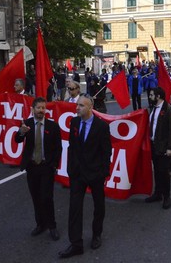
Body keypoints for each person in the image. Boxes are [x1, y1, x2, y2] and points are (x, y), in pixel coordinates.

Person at [58, 94, 112, 258]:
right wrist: (70, 169)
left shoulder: (101, 126)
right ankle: (76, 244)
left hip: (95, 174)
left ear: (90, 107)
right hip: (77, 174)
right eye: (77, 105)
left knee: (99, 206)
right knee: (74, 208)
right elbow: (72, 147)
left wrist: (103, 173)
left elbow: (106, 152)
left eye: (81, 105)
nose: (77, 108)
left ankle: (96, 234)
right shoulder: (74, 122)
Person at [15, 97, 62, 241]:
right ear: (33, 109)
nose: (41, 110)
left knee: (47, 197)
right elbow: (17, 140)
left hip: (46, 167)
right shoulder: (27, 124)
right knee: (36, 197)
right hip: (32, 167)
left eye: (43, 108)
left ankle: (52, 226)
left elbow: (58, 148)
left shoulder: (53, 126)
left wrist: (53, 165)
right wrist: (21, 132)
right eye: (39, 108)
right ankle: (40, 224)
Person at [145, 87, 171, 210]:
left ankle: (167, 197)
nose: (150, 97)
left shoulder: (168, 110)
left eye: (152, 95)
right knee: (157, 172)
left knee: (164, 173)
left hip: (164, 148)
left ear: (158, 96)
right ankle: (157, 194)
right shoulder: (153, 109)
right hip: (154, 146)